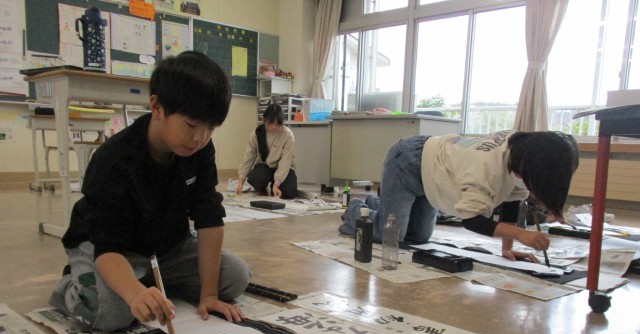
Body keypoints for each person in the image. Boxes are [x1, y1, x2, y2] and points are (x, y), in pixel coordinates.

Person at [49, 51, 252, 333]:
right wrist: (133, 294)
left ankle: (147, 281)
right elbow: (107, 247)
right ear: (157, 107)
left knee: (236, 276)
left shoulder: (199, 150)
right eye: (192, 125)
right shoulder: (113, 159)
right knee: (110, 313)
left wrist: (209, 295)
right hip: (112, 250)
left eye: (211, 128)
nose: (200, 138)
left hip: (165, 249)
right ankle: (75, 285)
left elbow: (209, 217)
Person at [339, 130, 579, 261]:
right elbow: (472, 220)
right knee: (390, 236)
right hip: (407, 162)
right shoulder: (486, 169)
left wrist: (507, 248)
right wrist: (520, 234)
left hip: (435, 176)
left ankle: (381, 203)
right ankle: (357, 209)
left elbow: (512, 203)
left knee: (418, 237)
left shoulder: (521, 150)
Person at [235, 103, 298, 199]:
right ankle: (264, 188)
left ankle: (273, 186)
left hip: (284, 169)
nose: (274, 127)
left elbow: (285, 162)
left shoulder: (288, 135)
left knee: (288, 193)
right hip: (265, 166)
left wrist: (276, 184)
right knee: (255, 179)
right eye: (271, 123)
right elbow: (248, 158)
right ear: (264, 119)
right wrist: (240, 182)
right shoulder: (256, 134)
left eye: (277, 124)